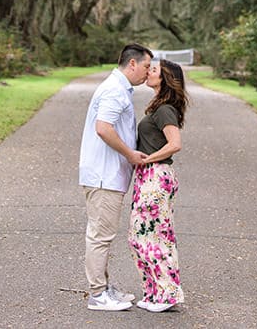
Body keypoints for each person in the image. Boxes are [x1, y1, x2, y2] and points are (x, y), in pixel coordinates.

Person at [78, 43, 153, 312]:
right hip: (103, 176)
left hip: (108, 175)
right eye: (146, 66)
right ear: (132, 64)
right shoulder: (113, 90)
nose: (148, 72)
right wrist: (130, 154)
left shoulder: (119, 88)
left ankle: (104, 286)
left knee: (104, 234)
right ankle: (97, 294)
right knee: (100, 235)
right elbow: (103, 128)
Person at [128, 59, 189, 313]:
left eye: (153, 70)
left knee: (153, 236)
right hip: (149, 176)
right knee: (140, 236)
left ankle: (168, 294)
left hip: (156, 174)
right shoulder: (158, 107)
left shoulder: (165, 109)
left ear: (164, 79)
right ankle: (155, 293)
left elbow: (175, 144)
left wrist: (146, 158)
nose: (148, 71)